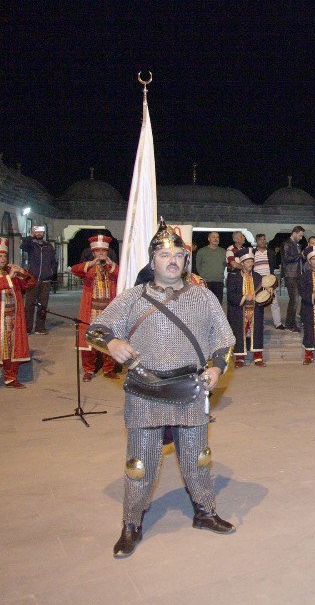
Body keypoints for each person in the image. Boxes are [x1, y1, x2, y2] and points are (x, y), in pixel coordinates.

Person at [87, 224, 236, 557]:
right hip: (145, 390)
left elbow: (224, 341)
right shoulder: (132, 298)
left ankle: (205, 511)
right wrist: (111, 342)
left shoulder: (203, 296)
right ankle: (131, 524)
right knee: (139, 464)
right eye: (164, 254)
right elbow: (95, 330)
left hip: (191, 388)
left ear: (186, 260)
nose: (172, 261)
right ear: (152, 261)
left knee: (198, 459)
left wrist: (215, 368)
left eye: (178, 255)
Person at [0, 238, 36, 393]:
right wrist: (10, 277)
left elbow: (31, 283)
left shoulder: (12, 274)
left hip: (13, 318)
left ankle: (11, 378)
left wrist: (22, 272)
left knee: (12, 348)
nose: (3, 259)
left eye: (4, 256)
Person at [71, 235, 120, 381]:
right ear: (93, 253)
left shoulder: (111, 268)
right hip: (91, 310)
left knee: (108, 339)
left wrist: (111, 264)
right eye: (98, 252)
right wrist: (91, 263)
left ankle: (109, 369)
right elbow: (75, 270)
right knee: (89, 340)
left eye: (103, 252)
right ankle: (88, 370)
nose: (101, 255)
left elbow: (122, 274)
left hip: (108, 311)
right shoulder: (89, 268)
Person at [226, 250, 265, 367]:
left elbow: (263, 295)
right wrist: (244, 297)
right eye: (248, 261)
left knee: (257, 332)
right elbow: (231, 294)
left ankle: (258, 357)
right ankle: (239, 358)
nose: (250, 263)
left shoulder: (258, 277)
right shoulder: (234, 277)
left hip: (255, 310)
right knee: (239, 332)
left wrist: (267, 293)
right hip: (240, 310)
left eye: (252, 261)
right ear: (242, 263)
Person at [20, 224, 56, 334]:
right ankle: (27, 327)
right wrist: (31, 235)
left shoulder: (49, 246)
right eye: (37, 231)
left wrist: (52, 273)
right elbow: (23, 246)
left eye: (41, 231)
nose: (39, 233)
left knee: (43, 305)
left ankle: (40, 327)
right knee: (29, 304)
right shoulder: (31, 244)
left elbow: (54, 261)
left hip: (45, 280)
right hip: (33, 279)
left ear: (44, 233)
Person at [253, 233, 284, 330]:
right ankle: (260, 323)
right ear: (256, 241)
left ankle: (278, 323)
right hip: (258, 282)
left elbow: (274, 265)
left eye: (264, 239)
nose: (262, 241)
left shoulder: (270, 252)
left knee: (274, 302)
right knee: (259, 302)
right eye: (260, 239)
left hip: (269, 281)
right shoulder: (253, 252)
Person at [280, 226, 304, 332]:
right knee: (294, 300)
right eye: (300, 235)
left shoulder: (296, 244)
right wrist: (300, 255)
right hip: (290, 274)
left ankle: (291, 323)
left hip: (297, 274)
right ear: (294, 233)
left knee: (295, 300)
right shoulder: (286, 243)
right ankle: (290, 325)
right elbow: (286, 258)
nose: (301, 237)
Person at [195, 231, 226, 301]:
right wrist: (203, 276)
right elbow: (198, 265)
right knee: (205, 304)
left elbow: (224, 265)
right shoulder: (202, 251)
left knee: (218, 304)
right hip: (205, 282)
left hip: (219, 282)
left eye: (218, 237)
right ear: (209, 239)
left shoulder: (223, 252)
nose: (216, 239)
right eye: (213, 237)